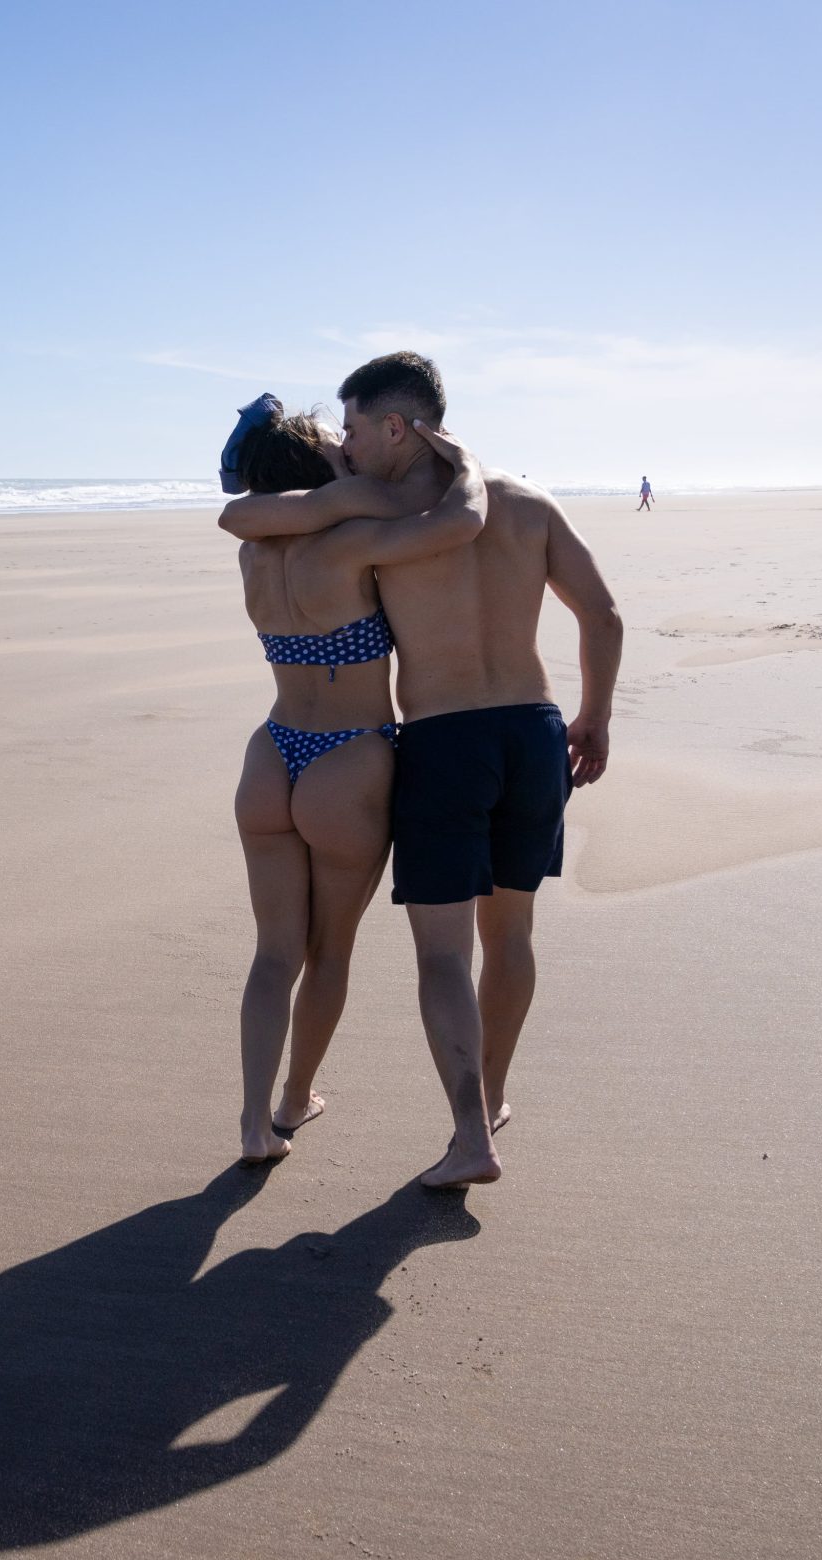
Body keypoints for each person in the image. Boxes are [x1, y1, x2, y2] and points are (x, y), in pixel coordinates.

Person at [222, 353, 623, 1190]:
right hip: (485, 736)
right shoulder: (451, 516)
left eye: (357, 428)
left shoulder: (300, 540)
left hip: (346, 746)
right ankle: (470, 1097)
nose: (350, 444)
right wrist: (597, 716)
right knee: (486, 936)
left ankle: (298, 1120)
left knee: (328, 955)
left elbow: (249, 516)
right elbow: (591, 603)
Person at [213, 395, 487, 1165]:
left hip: (273, 753)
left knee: (273, 954)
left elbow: (256, 517)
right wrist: (452, 464)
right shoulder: (356, 543)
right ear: (318, 471)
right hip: (349, 754)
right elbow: (444, 515)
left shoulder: (251, 552)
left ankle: (251, 1126)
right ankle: (296, 1098)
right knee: (329, 953)